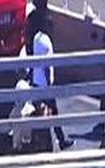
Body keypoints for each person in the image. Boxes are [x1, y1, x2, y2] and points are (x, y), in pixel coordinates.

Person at [29, 10, 73, 150]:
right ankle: (60, 140)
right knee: (53, 112)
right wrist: (50, 84)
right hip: (45, 84)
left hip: (36, 82)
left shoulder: (36, 38)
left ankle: (38, 140)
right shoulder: (46, 42)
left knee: (39, 112)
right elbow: (47, 66)